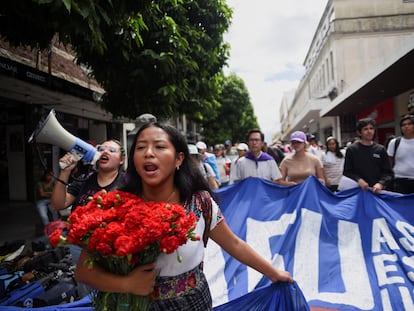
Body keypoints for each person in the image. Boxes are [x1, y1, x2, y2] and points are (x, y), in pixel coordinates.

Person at [74, 122, 293, 310]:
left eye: (159, 146)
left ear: (179, 159)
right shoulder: (116, 206)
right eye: (141, 147)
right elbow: (84, 272)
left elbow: (234, 244)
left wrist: (273, 273)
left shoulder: (201, 203)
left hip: (194, 303)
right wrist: (127, 285)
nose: (149, 153)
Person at [51, 139, 126, 262]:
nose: (104, 152)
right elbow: (57, 204)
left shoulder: (127, 183)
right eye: (101, 149)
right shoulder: (84, 179)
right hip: (79, 247)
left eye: (111, 150)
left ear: (121, 160)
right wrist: (65, 172)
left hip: (111, 251)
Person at [343, 117, 393, 193]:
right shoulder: (352, 149)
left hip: (376, 191)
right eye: (365, 129)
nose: (369, 131)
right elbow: (347, 171)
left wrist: (381, 183)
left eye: (371, 128)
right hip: (357, 191)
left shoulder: (380, 149)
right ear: (359, 132)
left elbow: (388, 173)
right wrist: (359, 180)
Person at [386, 114, 414, 194]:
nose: (406, 126)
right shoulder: (394, 142)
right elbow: (389, 161)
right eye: (403, 125)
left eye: (409, 124)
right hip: (400, 180)